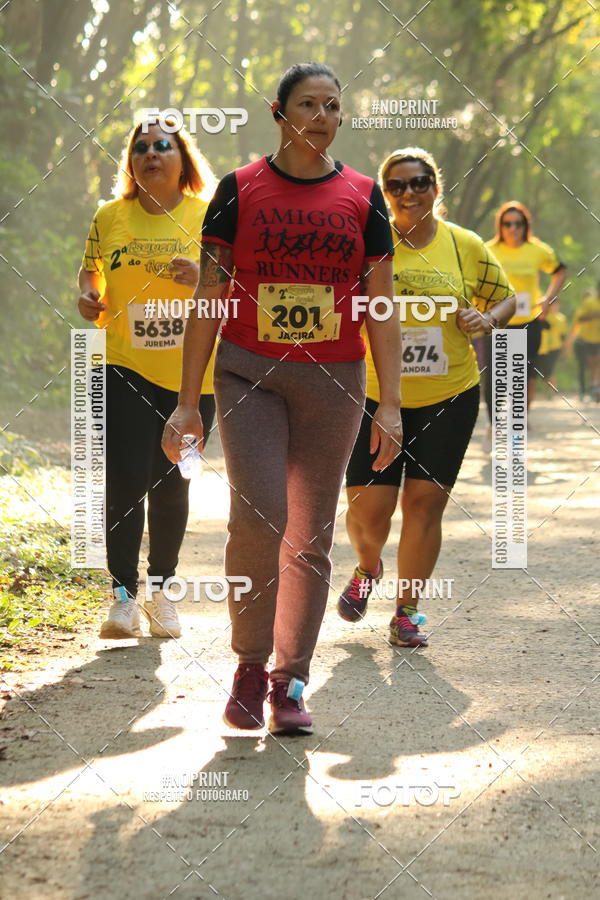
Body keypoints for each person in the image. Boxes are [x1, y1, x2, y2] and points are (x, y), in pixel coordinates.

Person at [162, 62, 402, 735]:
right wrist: (187, 403)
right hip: (248, 375)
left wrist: (391, 404)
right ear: (279, 112)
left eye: (333, 105)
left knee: (310, 534)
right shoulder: (238, 190)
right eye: (308, 104)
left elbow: (381, 306)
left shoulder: (363, 196)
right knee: (260, 517)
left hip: (334, 380)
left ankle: (289, 679)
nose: (322, 117)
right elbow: (209, 298)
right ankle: (247, 663)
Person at [337, 147, 516, 647]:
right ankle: (367, 567)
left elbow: (507, 298)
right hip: (374, 395)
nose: (409, 193)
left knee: (423, 505)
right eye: (396, 185)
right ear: (384, 193)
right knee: (369, 513)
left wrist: (487, 319)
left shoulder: (463, 244)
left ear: (436, 188)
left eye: (419, 183)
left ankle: (407, 612)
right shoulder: (370, 243)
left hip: (449, 394)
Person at [78, 115, 217, 640]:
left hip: (191, 377)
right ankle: (121, 599)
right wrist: (88, 297)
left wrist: (204, 276)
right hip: (122, 366)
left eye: (163, 146)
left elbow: (241, 285)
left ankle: (162, 594)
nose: (151, 154)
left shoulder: (208, 215)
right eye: (141, 148)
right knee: (123, 481)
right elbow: (90, 272)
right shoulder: (110, 215)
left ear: (183, 159)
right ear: (131, 163)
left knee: (173, 483)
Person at [482, 202, 567, 447]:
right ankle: (494, 425)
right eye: (507, 224)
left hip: (529, 320)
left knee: (523, 375)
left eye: (518, 223)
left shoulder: (537, 250)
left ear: (525, 226)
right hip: (497, 320)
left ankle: (518, 424)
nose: (513, 229)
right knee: (496, 375)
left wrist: (549, 297)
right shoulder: (488, 249)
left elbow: (559, 271)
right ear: (500, 226)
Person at [566, 285, 600, 401]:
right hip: (583, 341)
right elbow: (576, 327)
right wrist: (568, 343)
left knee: (596, 363)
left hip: (597, 339)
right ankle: (585, 389)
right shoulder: (582, 310)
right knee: (585, 366)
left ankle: (594, 386)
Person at [531, 300, 568, 398]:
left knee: (550, 370)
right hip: (542, 347)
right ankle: (548, 388)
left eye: (557, 305)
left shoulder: (561, 318)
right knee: (542, 370)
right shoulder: (542, 316)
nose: (554, 307)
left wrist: (565, 349)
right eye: (552, 305)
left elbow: (562, 335)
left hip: (555, 347)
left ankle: (550, 390)